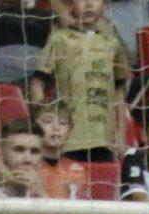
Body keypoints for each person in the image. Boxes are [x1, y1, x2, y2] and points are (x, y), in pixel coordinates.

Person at [35, 0, 127, 162]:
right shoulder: (60, 38)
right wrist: (41, 120)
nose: (89, 4)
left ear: (105, 5)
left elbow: (119, 89)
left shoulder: (111, 43)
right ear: (70, 5)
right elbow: (38, 81)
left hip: (104, 137)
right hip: (69, 137)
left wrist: (121, 132)